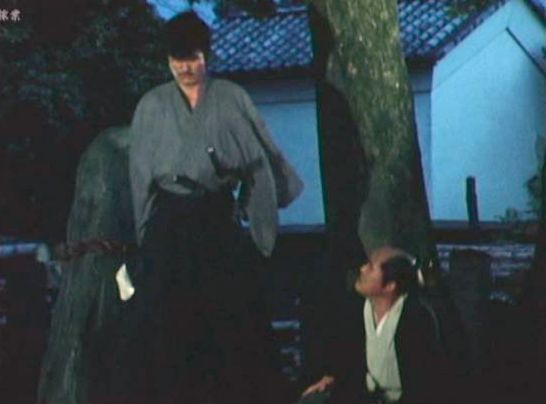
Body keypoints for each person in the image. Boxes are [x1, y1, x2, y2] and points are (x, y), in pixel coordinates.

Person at [127, 10, 303, 404]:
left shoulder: (230, 98)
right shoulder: (151, 106)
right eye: (177, 60)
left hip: (215, 219)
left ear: (206, 56)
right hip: (169, 222)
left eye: (193, 58)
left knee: (232, 320)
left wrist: (260, 235)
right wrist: (143, 239)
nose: (186, 69)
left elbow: (260, 165)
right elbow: (140, 180)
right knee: (166, 322)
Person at [301, 246, 450, 404]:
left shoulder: (415, 319)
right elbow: (348, 361)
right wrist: (331, 379)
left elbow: (424, 385)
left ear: (390, 285)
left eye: (371, 267)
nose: (363, 269)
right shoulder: (357, 308)